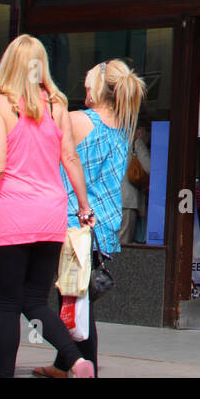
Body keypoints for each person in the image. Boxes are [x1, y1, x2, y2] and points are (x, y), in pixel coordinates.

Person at [0, 35, 95, 378]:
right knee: (36, 301)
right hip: (51, 214)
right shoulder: (56, 104)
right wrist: (83, 206)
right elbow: (69, 158)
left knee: (8, 305)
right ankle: (77, 360)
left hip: (13, 214)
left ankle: (4, 376)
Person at [35, 59, 146, 378]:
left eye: (87, 85)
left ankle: (85, 367)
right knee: (76, 297)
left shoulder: (78, 120)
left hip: (72, 222)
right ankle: (63, 364)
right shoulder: (123, 127)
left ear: (100, 88)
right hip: (102, 225)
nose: (83, 91)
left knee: (68, 299)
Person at [119, 122, 151, 246]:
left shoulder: (112, 140)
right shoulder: (136, 143)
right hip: (127, 199)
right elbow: (149, 167)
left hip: (108, 198)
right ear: (141, 130)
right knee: (123, 242)